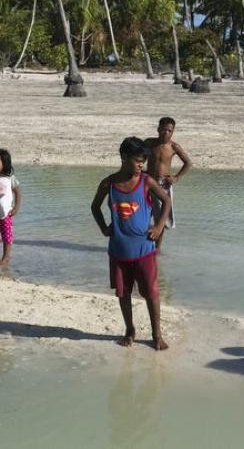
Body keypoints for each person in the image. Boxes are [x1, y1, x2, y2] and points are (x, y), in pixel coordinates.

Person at [91, 137, 172, 351]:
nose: (141, 166)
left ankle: (157, 335)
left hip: (144, 250)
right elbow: (94, 207)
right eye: (137, 161)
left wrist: (159, 226)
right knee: (123, 294)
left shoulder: (146, 182)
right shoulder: (109, 184)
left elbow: (166, 201)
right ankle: (130, 330)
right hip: (118, 251)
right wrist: (103, 227)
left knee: (151, 293)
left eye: (143, 161)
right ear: (124, 157)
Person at [145, 117, 192, 251]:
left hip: (163, 185)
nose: (166, 133)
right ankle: (143, 245)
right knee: (142, 214)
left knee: (161, 219)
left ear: (173, 132)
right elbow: (137, 154)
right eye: (163, 129)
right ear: (158, 129)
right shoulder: (149, 143)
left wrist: (176, 178)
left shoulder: (173, 146)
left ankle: (157, 250)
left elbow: (188, 163)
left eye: (169, 130)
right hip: (148, 182)